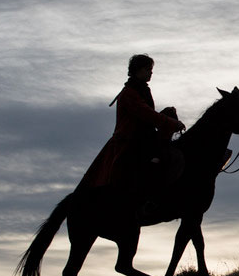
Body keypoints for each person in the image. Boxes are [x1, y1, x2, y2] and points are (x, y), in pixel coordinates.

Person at [78, 55, 185, 216]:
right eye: (148, 69)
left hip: (143, 137)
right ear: (138, 70)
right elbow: (145, 113)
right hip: (130, 140)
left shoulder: (141, 89)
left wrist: (169, 118)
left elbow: (149, 115)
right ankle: (149, 198)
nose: (150, 73)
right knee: (152, 162)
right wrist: (171, 123)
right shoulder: (129, 93)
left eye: (151, 70)